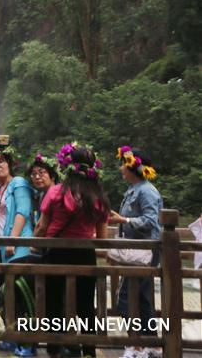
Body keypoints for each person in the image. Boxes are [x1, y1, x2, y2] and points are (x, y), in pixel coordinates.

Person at [34, 143, 109, 358]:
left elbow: (41, 226)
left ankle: (53, 350)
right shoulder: (99, 198)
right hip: (85, 255)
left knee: (54, 302)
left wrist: (34, 242)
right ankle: (89, 351)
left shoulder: (56, 192)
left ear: (67, 166)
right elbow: (103, 240)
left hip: (56, 253)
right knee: (85, 305)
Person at [107, 146, 163, 358]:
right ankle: (152, 345)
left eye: (124, 164)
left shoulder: (146, 191)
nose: (121, 167)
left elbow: (151, 221)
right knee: (143, 299)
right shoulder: (135, 189)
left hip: (145, 251)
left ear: (133, 167)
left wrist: (124, 220)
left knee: (124, 299)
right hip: (138, 250)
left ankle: (137, 345)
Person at [0, 147, 36, 357]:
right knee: (1, 292)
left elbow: (23, 211)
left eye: (2, 160)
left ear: (10, 164)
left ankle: (29, 343)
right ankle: (12, 335)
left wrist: (12, 239)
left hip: (18, 246)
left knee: (21, 295)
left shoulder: (19, 183)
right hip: (1, 248)